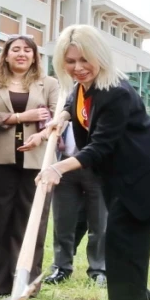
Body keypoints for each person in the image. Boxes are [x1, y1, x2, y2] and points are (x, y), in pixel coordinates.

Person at [35, 25, 150, 300]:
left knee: (123, 239)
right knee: (122, 238)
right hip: (117, 176)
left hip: (142, 178)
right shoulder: (85, 85)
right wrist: (62, 117)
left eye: (84, 59)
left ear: (99, 56)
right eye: (70, 61)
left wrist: (56, 168)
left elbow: (99, 148)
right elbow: (74, 100)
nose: (78, 68)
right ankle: (139, 294)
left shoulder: (115, 92)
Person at [0, 36, 60, 297]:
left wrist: (41, 136)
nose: (22, 54)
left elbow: (59, 119)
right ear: (6, 55)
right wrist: (21, 117)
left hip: (37, 160)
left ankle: (26, 283)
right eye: (16, 50)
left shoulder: (49, 83)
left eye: (27, 50)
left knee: (32, 221)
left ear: (34, 57)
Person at [44, 123, 108, 287]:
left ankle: (98, 271)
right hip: (64, 164)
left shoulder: (104, 107)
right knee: (62, 221)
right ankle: (61, 267)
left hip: (98, 166)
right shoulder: (65, 108)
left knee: (99, 223)